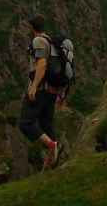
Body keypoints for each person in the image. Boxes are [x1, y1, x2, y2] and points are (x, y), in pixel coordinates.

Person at [17, 15, 61, 169]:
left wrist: (34, 85)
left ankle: (50, 145)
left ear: (32, 28)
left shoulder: (38, 41)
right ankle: (53, 163)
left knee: (25, 123)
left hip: (41, 90)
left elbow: (41, 64)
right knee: (46, 124)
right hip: (52, 91)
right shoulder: (51, 41)